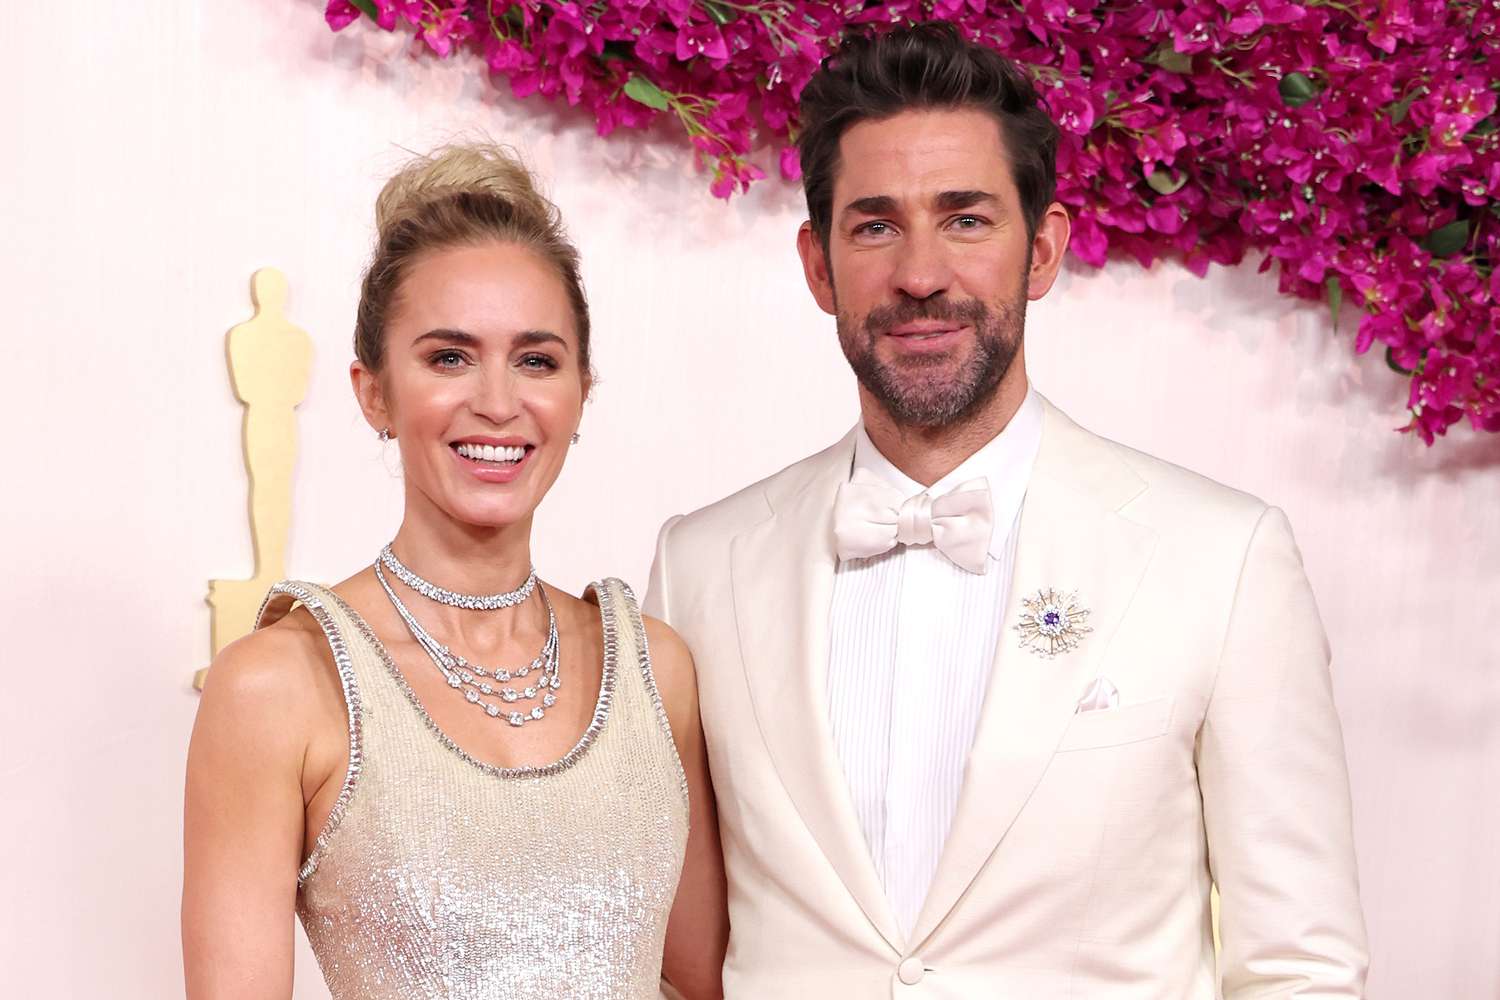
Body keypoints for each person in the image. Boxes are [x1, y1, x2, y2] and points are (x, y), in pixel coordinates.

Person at [644, 23, 1367, 998]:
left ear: (1044, 250)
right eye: (875, 225)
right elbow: (682, 958)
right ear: (818, 266)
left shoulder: (1222, 557)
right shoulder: (700, 565)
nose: (921, 274)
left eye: (967, 219)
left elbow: (1301, 965)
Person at [183, 143, 727, 1000]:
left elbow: (702, 986)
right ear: (373, 393)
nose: (498, 402)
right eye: (448, 357)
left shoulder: (658, 670)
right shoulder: (277, 683)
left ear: (582, 391)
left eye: (538, 360)